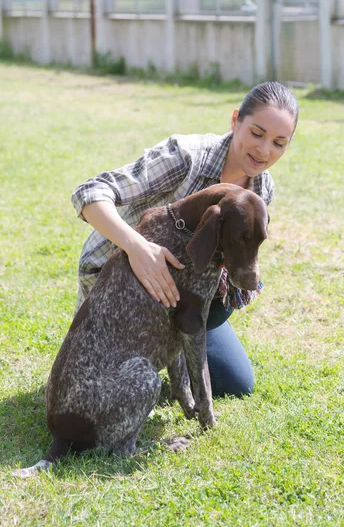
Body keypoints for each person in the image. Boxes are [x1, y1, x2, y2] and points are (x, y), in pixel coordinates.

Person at [71, 81, 299, 398]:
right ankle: (132, 369)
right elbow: (89, 193)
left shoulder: (261, 190)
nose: (264, 150)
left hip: (182, 291)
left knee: (236, 383)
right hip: (120, 281)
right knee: (116, 376)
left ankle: (166, 352)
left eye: (279, 143)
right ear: (235, 120)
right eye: (257, 133)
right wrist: (137, 248)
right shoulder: (186, 156)